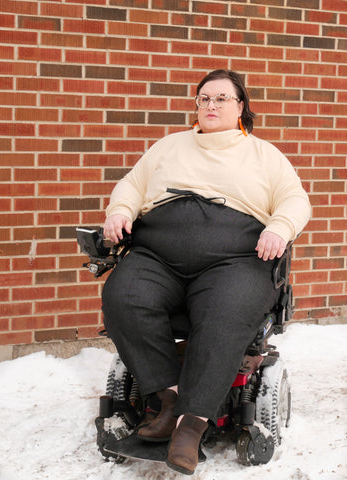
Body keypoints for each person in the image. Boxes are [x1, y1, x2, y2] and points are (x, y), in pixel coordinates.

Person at [101, 69, 311, 475]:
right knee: (123, 297)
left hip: (234, 259)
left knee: (225, 313)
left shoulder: (263, 154)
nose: (210, 105)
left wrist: (279, 227)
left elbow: (295, 199)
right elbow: (131, 184)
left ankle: (190, 426)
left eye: (221, 98)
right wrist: (120, 211)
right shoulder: (168, 147)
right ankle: (168, 398)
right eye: (203, 98)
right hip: (158, 253)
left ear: (241, 107)